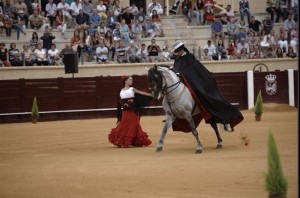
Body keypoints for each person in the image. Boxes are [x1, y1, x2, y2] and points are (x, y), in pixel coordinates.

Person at [171, 40, 244, 132]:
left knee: (206, 95)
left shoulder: (190, 57)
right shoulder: (178, 59)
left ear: (180, 50)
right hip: (185, 83)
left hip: (198, 83)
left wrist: (182, 73)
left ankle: (226, 121)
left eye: (177, 51)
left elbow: (195, 72)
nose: (176, 53)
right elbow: (176, 71)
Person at [108, 75, 153, 148]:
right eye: (130, 79)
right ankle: (124, 141)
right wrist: (119, 118)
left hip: (133, 111)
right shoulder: (121, 91)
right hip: (125, 112)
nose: (132, 81)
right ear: (125, 81)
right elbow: (119, 105)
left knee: (134, 126)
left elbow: (142, 93)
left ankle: (130, 142)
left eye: (132, 79)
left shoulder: (132, 89)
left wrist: (152, 95)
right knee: (124, 126)